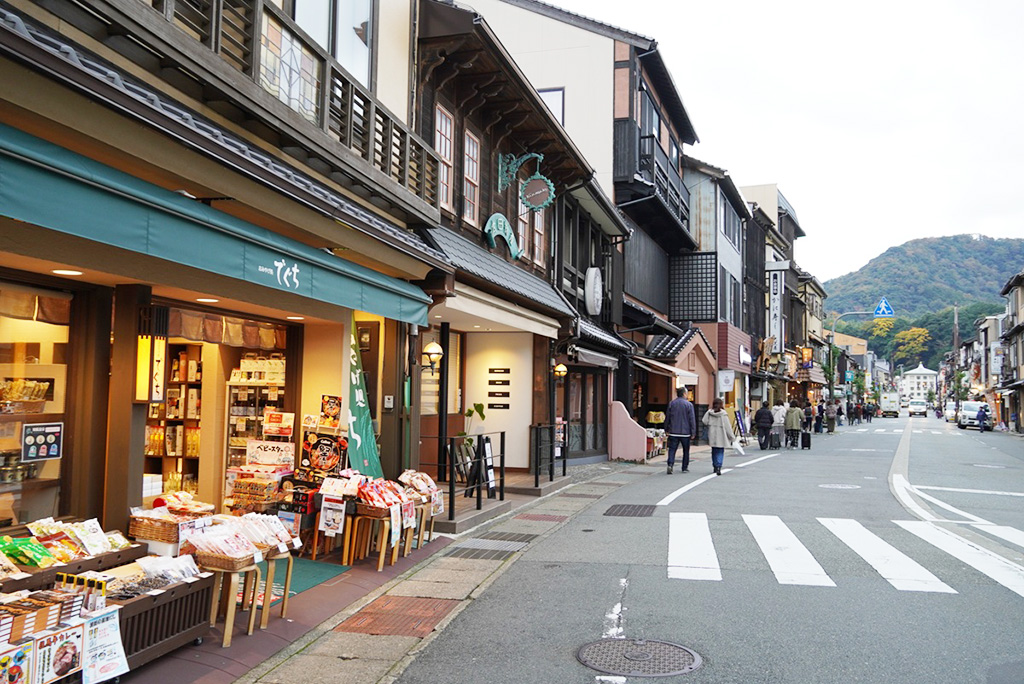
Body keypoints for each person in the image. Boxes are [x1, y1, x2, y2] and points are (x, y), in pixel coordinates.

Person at [664, 386, 697, 474]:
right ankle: (684, 467)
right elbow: (692, 419)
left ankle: (670, 464)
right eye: (686, 393)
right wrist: (693, 432)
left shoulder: (672, 403)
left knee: (672, 449)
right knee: (686, 450)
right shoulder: (689, 405)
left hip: (673, 431)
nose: (687, 395)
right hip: (685, 432)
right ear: (684, 394)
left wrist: (666, 428)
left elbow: (668, 417)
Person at [702, 398, 735, 475]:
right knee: (720, 451)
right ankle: (719, 466)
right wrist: (732, 437)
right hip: (721, 435)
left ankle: (715, 466)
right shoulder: (723, 414)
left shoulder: (709, 412)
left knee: (714, 450)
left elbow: (704, 421)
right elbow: (728, 427)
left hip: (712, 434)